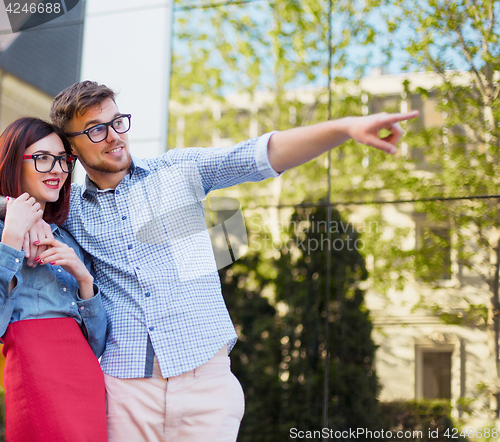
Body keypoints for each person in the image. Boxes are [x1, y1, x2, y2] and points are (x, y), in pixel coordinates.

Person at [3, 81, 419, 442]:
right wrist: (16, 212)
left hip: (204, 377)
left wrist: (345, 128)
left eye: (117, 122)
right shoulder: (68, 210)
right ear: (71, 145)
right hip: (124, 386)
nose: (114, 137)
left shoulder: (178, 171)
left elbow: (262, 154)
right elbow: (13, 179)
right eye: (96, 129)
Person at [0, 117, 108, 442]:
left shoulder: (68, 238)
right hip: (36, 370)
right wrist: (14, 229)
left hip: (86, 377)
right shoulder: (6, 231)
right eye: (43, 158)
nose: (57, 169)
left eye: (63, 160)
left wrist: (85, 279)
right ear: (13, 162)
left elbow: (98, 343)